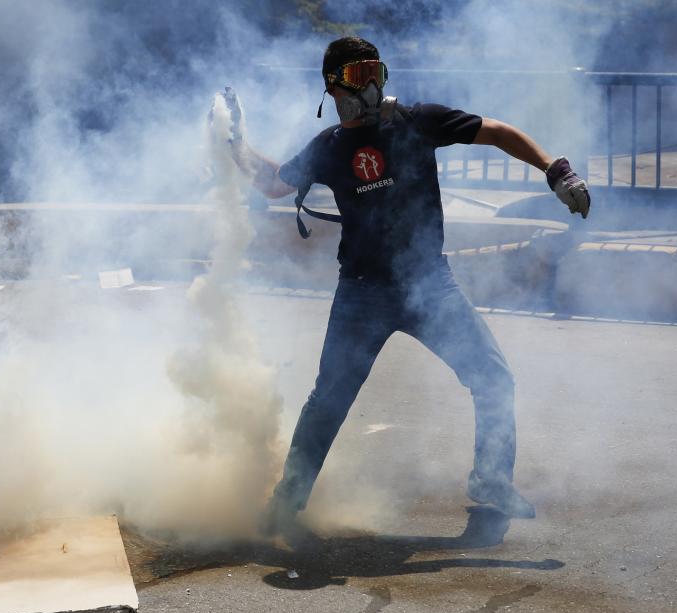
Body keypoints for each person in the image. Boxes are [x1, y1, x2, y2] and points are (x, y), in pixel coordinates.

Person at [221, 36, 590, 536]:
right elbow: (272, 182)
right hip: (362, 293)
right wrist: (236, 142)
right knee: (327, 400)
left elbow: (499, 133)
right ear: (332, 87)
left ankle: (491, 479)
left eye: (375, 71)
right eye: (357, 76)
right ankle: (288, 498)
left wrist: (555, 170)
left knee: (493, 379)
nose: (370, 86)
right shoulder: (328, 148)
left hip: (429, 286)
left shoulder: (418, 122)